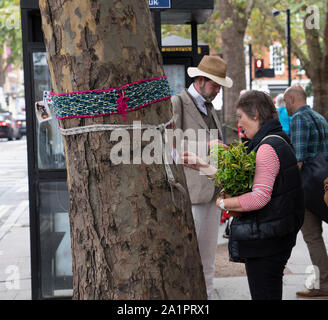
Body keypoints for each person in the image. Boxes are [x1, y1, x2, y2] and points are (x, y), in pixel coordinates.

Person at [183, 90, 304, 300]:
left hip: (267, 241)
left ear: (255, 114)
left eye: (240, 116)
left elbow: (258, 197)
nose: (238, 123)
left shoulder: (266, 148)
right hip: (273, 236)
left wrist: (222, 204)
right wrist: (202, 166)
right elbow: (238, 183)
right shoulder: (272, 141)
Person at [171, 55, 233, 299]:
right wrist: (206, 146)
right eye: (215, 85)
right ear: (200, 79)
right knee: (190, 257)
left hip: (212, 192)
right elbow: (168, 147)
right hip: (191, 193)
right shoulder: (178, 102)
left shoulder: (210, 107)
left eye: (219, 86)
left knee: (207, 259)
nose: (218, 90)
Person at [283, 85, 328, 298]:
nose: (286, 108)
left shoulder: (299, 119)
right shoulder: (320, 117)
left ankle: (323, 284)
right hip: (324, 185)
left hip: (307, 188)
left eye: (285, 102)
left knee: (312, 236)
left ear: (292, 99)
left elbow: (298, 160)